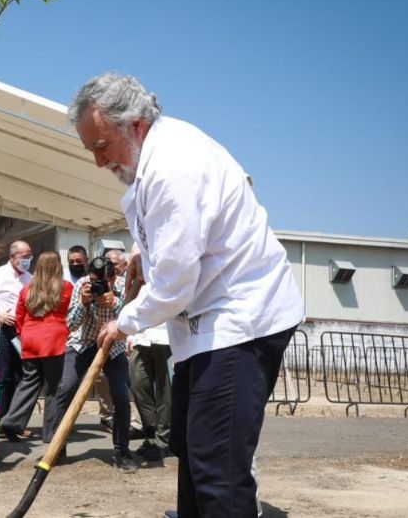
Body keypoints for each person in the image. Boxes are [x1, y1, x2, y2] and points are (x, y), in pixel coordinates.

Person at [75, 74, 304, 517]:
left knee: (218, 465)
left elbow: (175, 283)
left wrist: (123, 322)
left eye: (102, 145)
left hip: (241, 319)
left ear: (135, 126)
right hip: (205, 326)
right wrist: (144, 247)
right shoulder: (153, 162)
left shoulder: (174, 164)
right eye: (91, 150)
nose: (99, 161)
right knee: (193, 450)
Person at [56, 256, 136, 473]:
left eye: (102, 282)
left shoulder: (122, 285)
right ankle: (57, 447)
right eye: (94, 280)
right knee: (66, 388)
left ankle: (122, 451)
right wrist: (83, 302)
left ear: (112, 278)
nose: (97, 285)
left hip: (113, 344)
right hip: (83, 341)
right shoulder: (82, 285)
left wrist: (116, 302)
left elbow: (133, 318)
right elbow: (70, 324)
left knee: (120, 394)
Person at [0, 251, 72, 443]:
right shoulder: (66, 288)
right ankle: (51, 434)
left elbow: (19, 317)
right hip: (55, 341)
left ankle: (11, 419)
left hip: (30, 340)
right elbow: (72, 315)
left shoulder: (27, 289)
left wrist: (26, 335)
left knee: (29, 381)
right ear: (58, 267)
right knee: (53, 388)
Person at [0, 240, 32, 426]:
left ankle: (14, 422)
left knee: (20, 376)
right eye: (24, 257)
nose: (27, 260)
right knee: (3, 376)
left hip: (23, 331)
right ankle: (0, 419)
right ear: (12, 257)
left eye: (30, 257)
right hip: (2, 330)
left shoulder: (30, 278)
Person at [128, 322, 172, 467]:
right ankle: (151, 435)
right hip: (142, 336)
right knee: (138, 384)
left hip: (167, 336)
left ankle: (162, 441)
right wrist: (130, 334)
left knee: (165, 392)